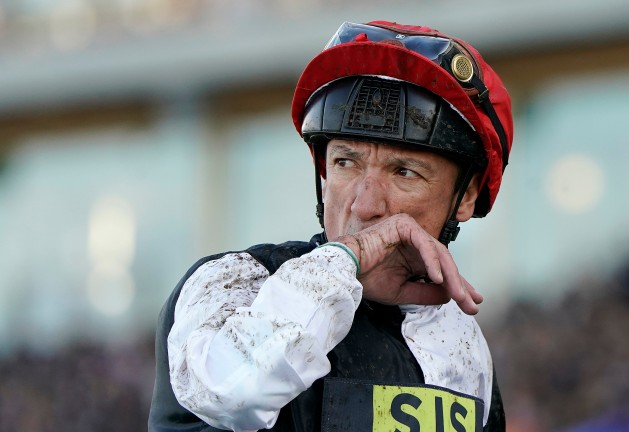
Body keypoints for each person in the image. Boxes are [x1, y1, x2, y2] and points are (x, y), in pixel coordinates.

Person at [149, 20, 513, 432]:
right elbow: (232, 393)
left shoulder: (463, 340)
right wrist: (348, 257)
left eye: (405, 172)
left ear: (465, 197)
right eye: (345, 163)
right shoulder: (234, 281)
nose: (365, 205)